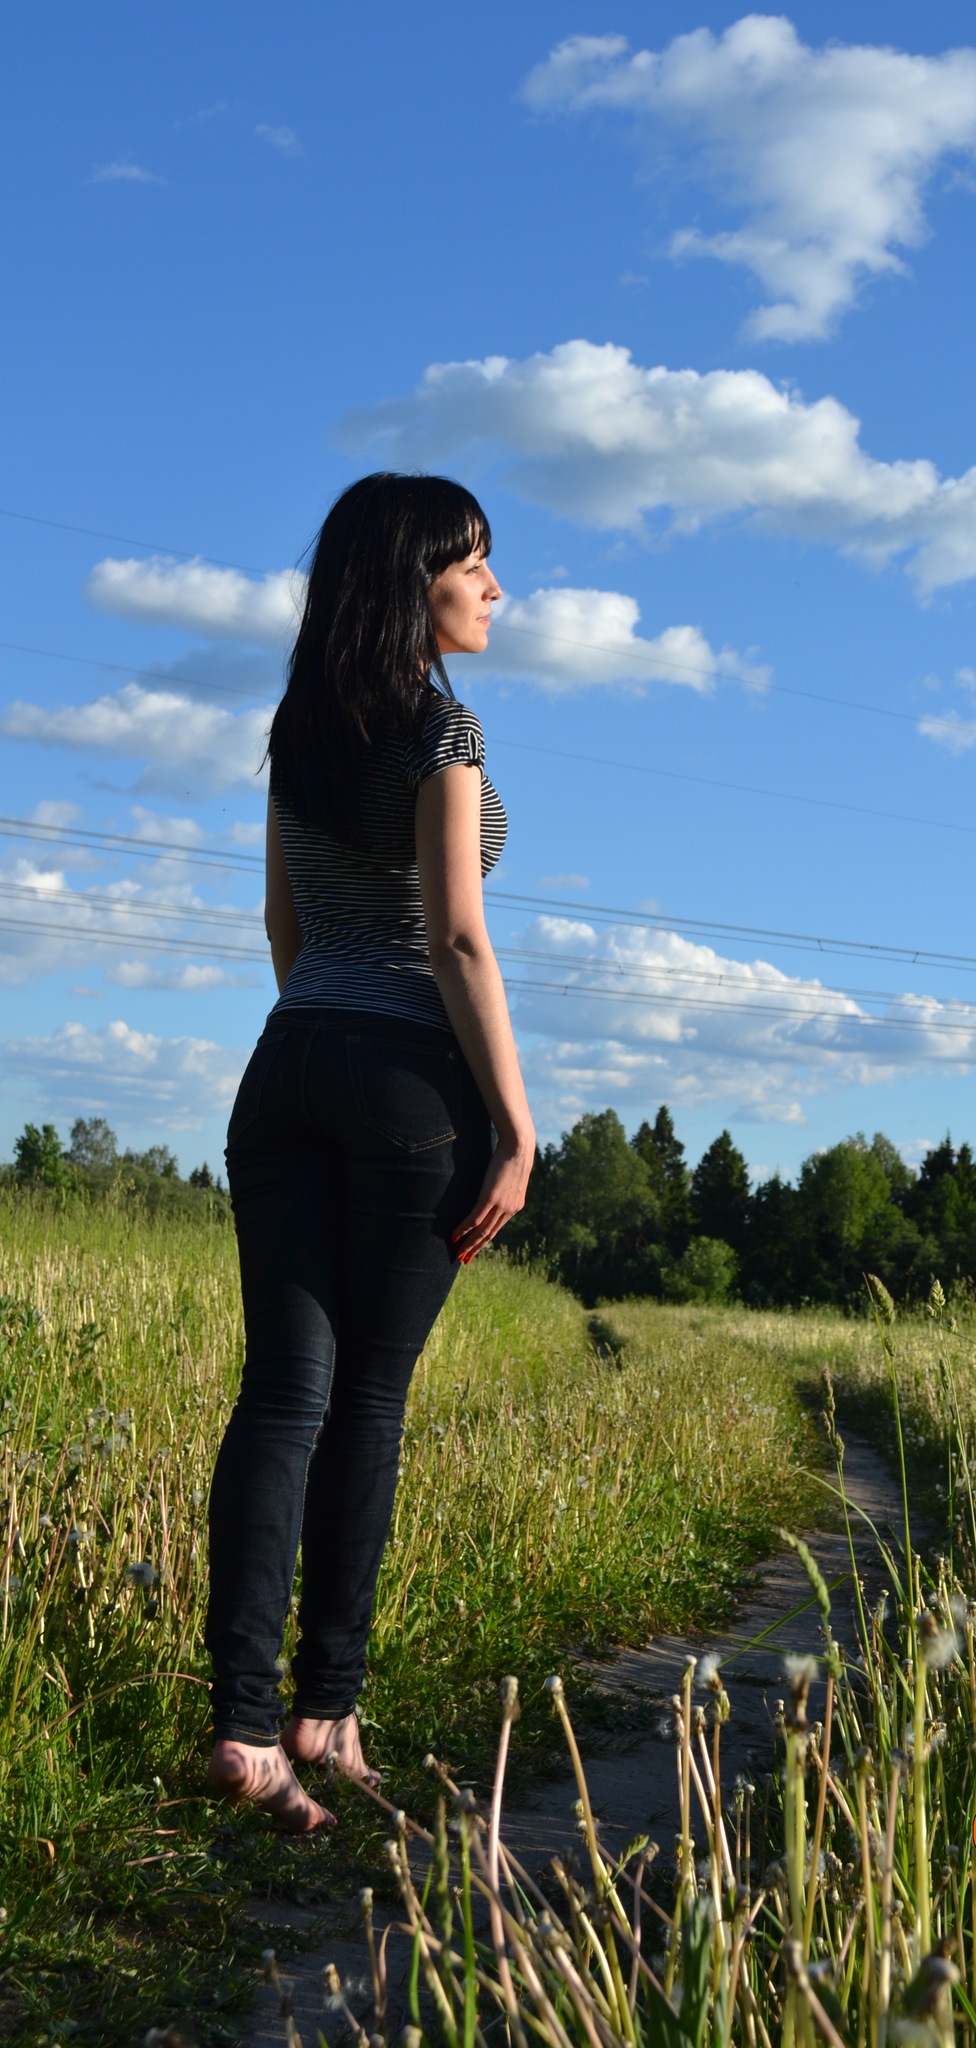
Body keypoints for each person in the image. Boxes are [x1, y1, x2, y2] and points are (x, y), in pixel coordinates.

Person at [204, 473, 534, 1830]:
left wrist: (326, 1032)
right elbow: (455, 938)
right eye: (474, 564)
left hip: (286, 1067)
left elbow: (282, 925)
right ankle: (325, 1715)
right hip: (409, 1085)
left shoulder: (299, 727)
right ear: (414, 583)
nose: (496, 588)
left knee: (284, 1397)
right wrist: (513, 1124)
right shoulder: (441, 728)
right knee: (370, 1401)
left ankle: (242, 1734)